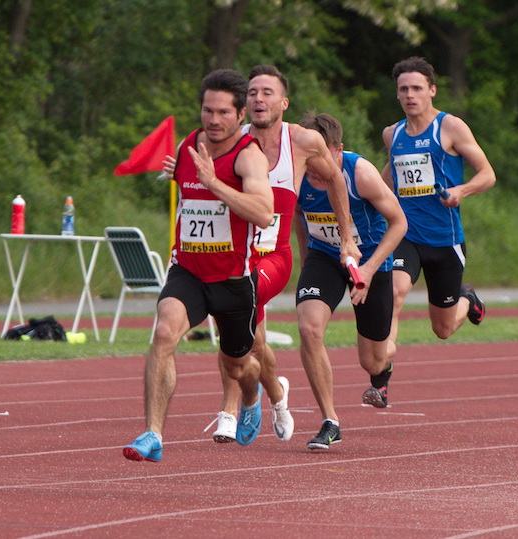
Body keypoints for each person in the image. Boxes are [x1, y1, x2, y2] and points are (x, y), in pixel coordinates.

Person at [205, 65, 363, 445]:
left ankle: (232, 409)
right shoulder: (230, 140)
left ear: (283, 102)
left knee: (235, 306)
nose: (259, 98)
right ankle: (276, 396)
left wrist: (346, 238)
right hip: (234, 253)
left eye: (267, 92)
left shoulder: (305, 141)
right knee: (252, 339)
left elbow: (337, 180)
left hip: (274, 256)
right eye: (253, 92)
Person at [123, 69, 274, 462]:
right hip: (188, 271)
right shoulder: (190, 143)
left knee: (240, 366)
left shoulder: (249, 157)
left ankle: (253, 396)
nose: (213, 120)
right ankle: (153, 434)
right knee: (163, 333)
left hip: (233, 280)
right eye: (208, 110)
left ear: (241, 114)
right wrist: (187, 177)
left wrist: (214, 182)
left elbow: (263, 213)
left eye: (224, 112)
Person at [294, 112, 407, 451]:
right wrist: (305, 263)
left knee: (371, 360)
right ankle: (331, 421)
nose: (316, 166)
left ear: (338, 149)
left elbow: (399, 223)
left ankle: (383, 370)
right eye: (310, 157)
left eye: (323, 156)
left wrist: (371, 268)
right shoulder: (297, 173)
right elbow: (300, 217)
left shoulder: (361, 172)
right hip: (324, 257)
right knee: (309, 328)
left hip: (370, 261)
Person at [381, 57, 496, 350]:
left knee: (442, 329)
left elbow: (488, 175)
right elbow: (389, 178)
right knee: (394, 292)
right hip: (405, 233)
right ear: (397, 93)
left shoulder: (451, 127)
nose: (410, 95)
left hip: (444, 238)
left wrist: (461, 191)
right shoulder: (392, 134)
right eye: (404, 89)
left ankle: (467, 300)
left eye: (417, 88)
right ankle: (381, 379)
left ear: (432, 90)